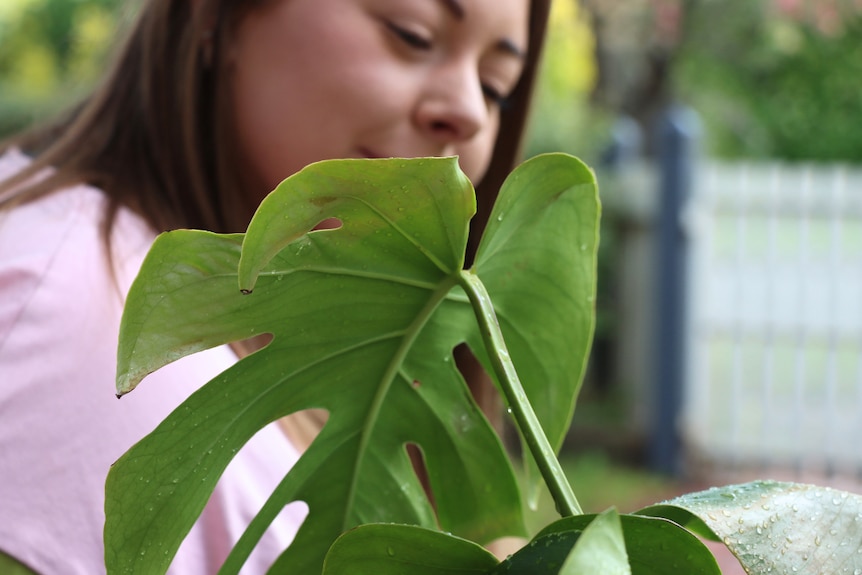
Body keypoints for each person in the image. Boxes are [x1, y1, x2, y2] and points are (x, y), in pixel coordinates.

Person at [0, 0, 551, 572]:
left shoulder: (277, 320)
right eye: (410, 34)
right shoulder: (71, 317)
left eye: (496, 88)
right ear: (217, 14)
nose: (470, 112)